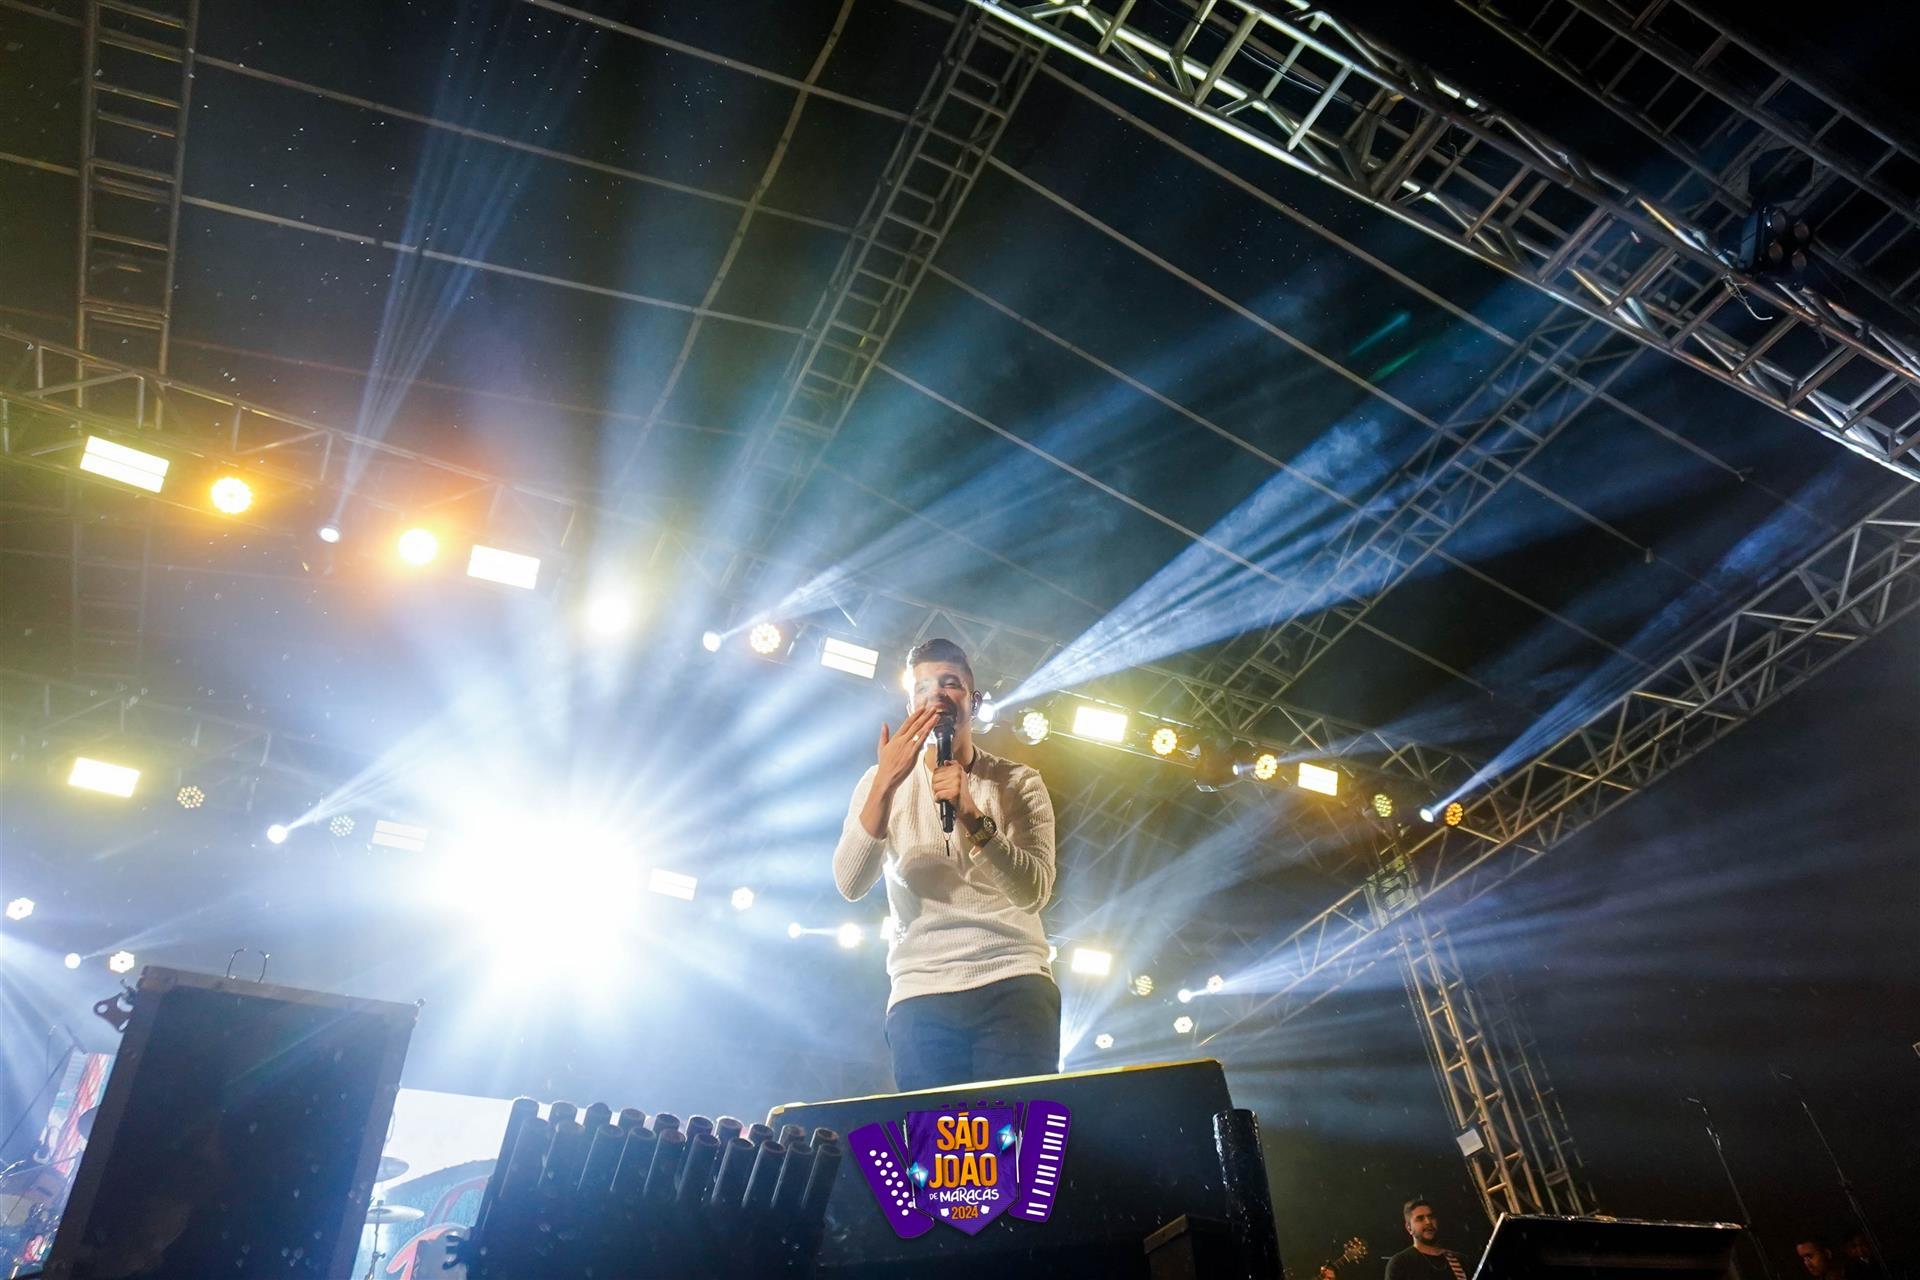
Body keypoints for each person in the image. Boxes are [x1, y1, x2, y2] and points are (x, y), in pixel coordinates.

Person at [833, 637, 1060, 1093]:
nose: (936, 694)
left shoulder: (1019, 783)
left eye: (950, 683)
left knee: (1012, 1135)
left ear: (973, 702)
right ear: (911, 706)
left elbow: (1033, 892)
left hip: (1012, 978)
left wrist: (971, 813)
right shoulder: (879, 782)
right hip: (921, 989)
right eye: (922, 688)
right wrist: (885, 785)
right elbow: (850, 883)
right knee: (935, 1139)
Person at [1385, 1199, 1468, 1280]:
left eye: (1431, 1217)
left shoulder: (1460, 1260)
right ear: (1409, 1228)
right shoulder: (1400, 1263)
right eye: (1420, 1218)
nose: (1428, 1222)